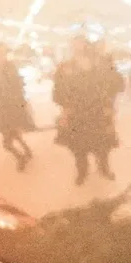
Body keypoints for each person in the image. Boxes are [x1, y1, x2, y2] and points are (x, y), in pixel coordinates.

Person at [52, 34, 121, 186]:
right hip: (76, 113)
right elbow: (58, 92)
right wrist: (65, 110)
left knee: (103, 145)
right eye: (75, 44)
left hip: (99, 111)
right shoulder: (65, 67)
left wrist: (110, 107)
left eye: (81, 43)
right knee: (78, 147)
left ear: (87, 45)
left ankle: (103, 168)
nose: (78, 47)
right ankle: (82, 171)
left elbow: (114, 86)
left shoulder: (101, 63)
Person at [0, 52, 34, 168]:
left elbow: (17, 87)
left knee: (7, 142)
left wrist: (21, 104)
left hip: (12, 107)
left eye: (1, 53)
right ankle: (26, 151)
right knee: (13, 133)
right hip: (2, 109)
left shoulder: (10, 68)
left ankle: (21, 158)